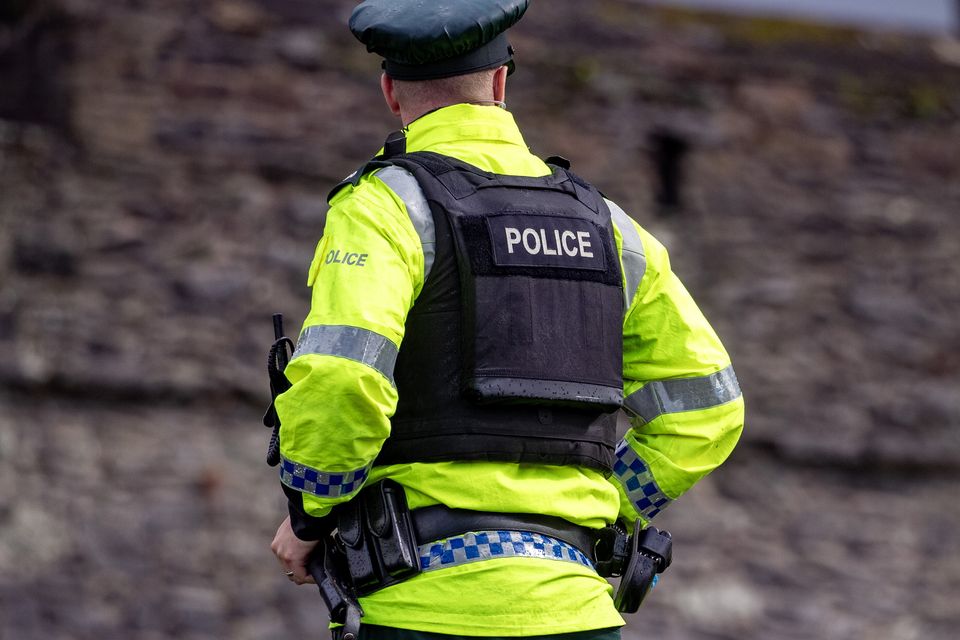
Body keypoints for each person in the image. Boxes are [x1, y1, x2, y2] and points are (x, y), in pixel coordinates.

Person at [269, 1, 745, 639]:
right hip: (577, 613)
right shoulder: (612, 228)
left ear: (390, 92)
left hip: (424, 612)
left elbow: (339, 378)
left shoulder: (382, 207)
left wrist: (310, 514)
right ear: (499, 85)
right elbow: (706, 411)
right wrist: (605, 503)